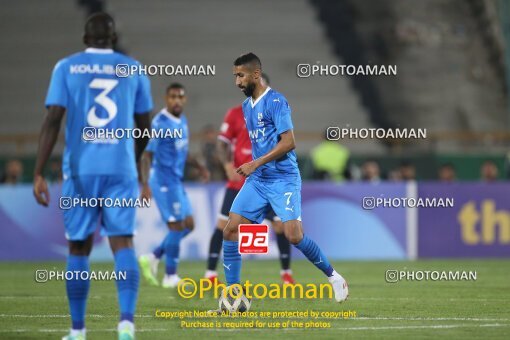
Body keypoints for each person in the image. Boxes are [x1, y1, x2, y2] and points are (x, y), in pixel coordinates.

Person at [32, 12, 153, 340]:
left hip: (81, 171)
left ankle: (78, 330)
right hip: (121, 168)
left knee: (78, 247)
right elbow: (145, 127)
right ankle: (126, 323)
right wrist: (133, 161)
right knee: (123, 242)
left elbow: (53, 119)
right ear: (113, 39)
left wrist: (39, 172)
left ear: (85, 39)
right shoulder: (134, 69)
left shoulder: (66, 67)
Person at [213, 53, 348, 311]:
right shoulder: (245, 107)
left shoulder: (277, 101)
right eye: (235, 76)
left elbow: (289, 142)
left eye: (240, 75)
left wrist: (256, 162)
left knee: (294, 235)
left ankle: (334, 277)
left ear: (255, 74)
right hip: (259, 180)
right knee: (230, 229)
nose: (237, 81)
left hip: (284, 179)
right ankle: (231, 295)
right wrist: (255, 167)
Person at [205, 73, 295, 285]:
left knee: (282, 226)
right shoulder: (236, 113)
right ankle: (210, 274)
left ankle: (286, 273)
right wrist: (227, 165)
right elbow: (222, 143)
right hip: (240, 181)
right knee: (223, 226)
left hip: (269, 180)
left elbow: (286, 142)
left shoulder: (276, 111)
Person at [138, 83, 210, 288]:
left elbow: (183, 149)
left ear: (184, 99)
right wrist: (145, 185)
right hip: (162, 181)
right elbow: (146, 155)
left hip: (175, 181)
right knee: (177, 227)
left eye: (180, 97)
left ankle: (153, 256)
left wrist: (200, 167)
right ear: (166, 99)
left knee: (189, 225)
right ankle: (170, 276)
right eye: (173, 97)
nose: (177, 101)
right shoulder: (160, 123)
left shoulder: (182, 120)